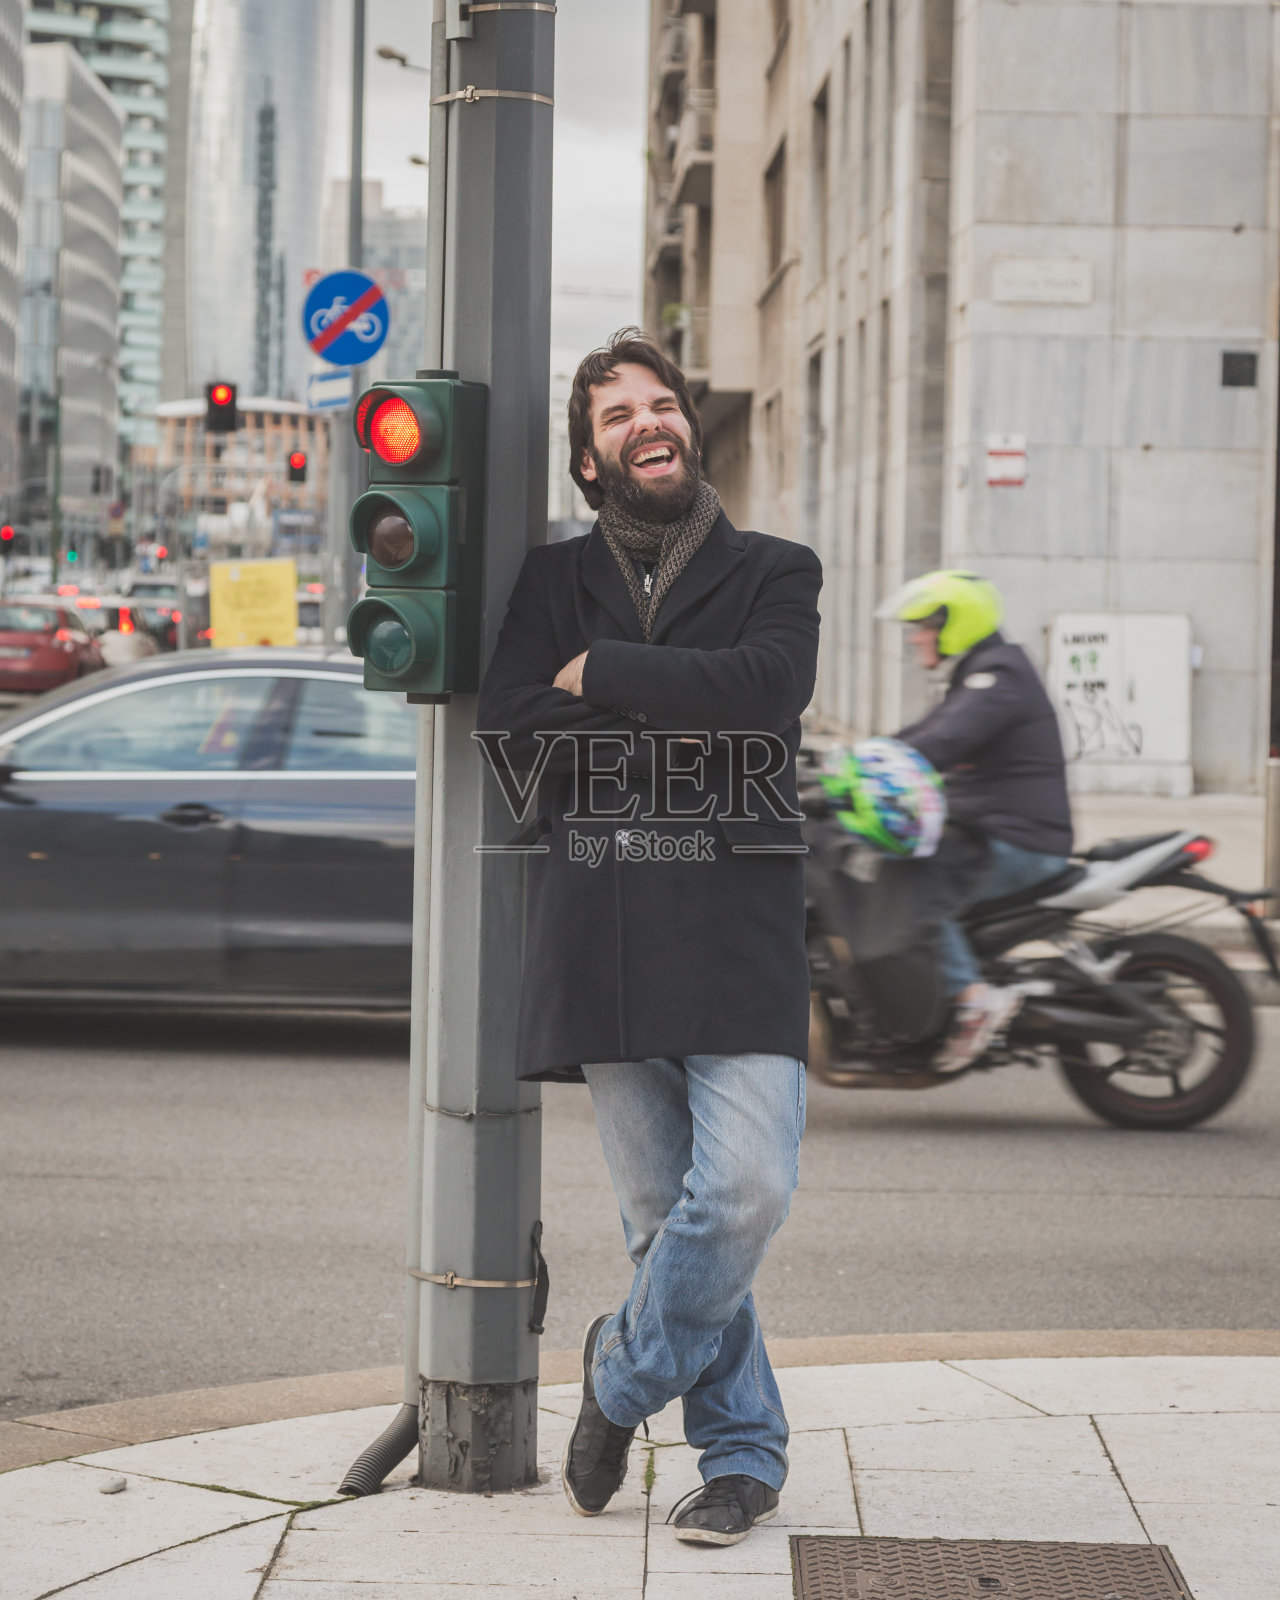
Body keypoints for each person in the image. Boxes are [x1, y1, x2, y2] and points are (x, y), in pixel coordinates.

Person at [477, 328, 821, 1546]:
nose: (646, 421)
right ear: (590, 460)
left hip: (737, 933)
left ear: (688, 426)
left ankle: (616, 1378)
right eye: (616, 413)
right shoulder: (547, 585)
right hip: (605, 936)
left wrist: (603, 674)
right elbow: (511, 728)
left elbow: (765, 692)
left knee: (741, 1190)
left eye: (659, 402)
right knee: (658, 1224)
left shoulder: (778, 570)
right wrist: (676, 714)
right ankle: (740, 1456)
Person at [880, 570, 1073, 1071]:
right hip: (991, 828)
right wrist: (858, 755)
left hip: (1019, 842)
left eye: (925, 625)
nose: (916, 636)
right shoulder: (980, 672)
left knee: (911, 885)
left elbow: (943, 742)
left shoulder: (998, 677)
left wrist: (875, 765)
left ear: (957, 623)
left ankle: (973, 1001)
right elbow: (925, 731)